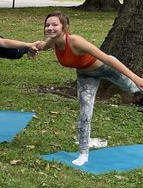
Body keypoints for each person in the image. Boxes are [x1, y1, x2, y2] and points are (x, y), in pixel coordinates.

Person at [32, 11, 143, 166]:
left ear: (65, 27)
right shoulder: (53, 42)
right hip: (85, 76)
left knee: (133, 88)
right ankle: (83, 154)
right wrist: (33, 48)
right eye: (47, 25)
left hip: (106, 68)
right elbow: (43, 46)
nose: (50, 28)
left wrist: (136, 78)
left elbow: (107, 58)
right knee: (85, 112)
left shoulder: (75, 41)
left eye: (54, 24)